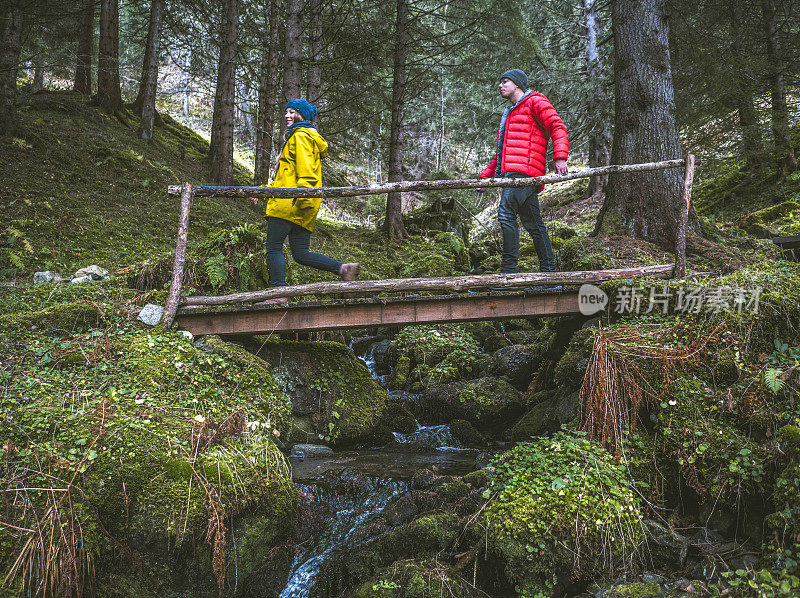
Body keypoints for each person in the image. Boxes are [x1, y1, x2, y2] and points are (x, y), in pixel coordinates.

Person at [253, 99, 359, 304]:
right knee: (301, 254)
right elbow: (287, 177)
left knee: (274, 247)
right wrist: (265, 191)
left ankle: (278, 294)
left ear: (302, 115)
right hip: (300, 204)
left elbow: (307, 173)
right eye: (286, 112)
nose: (287, 115)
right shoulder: (306, 137)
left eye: (292, 112)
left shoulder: (299, 137)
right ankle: (344, 269)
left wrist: (302, 199)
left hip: (291, 203)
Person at [479, 69, 569, 277]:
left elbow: (557, 126)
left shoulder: (536, 102)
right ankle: (549, 274)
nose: (500, 86)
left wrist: (560, 157)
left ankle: (507, 274)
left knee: (505, 215)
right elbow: (501, 154)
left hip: (525, 174)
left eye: (505, 81)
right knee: (534, 224)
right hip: (514, 174)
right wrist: (486, 177)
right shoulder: (509, 113)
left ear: (517, 84)